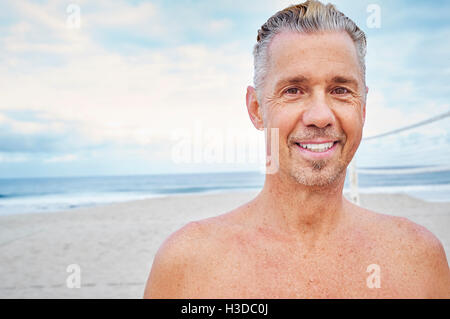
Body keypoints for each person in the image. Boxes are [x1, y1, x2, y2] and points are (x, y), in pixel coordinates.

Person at [144, 0, 450, 298]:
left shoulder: (418, 259)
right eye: (293, 90)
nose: (320, 116)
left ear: (364, 107)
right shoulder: (188, 263)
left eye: (340, 90)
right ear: (256, 109)